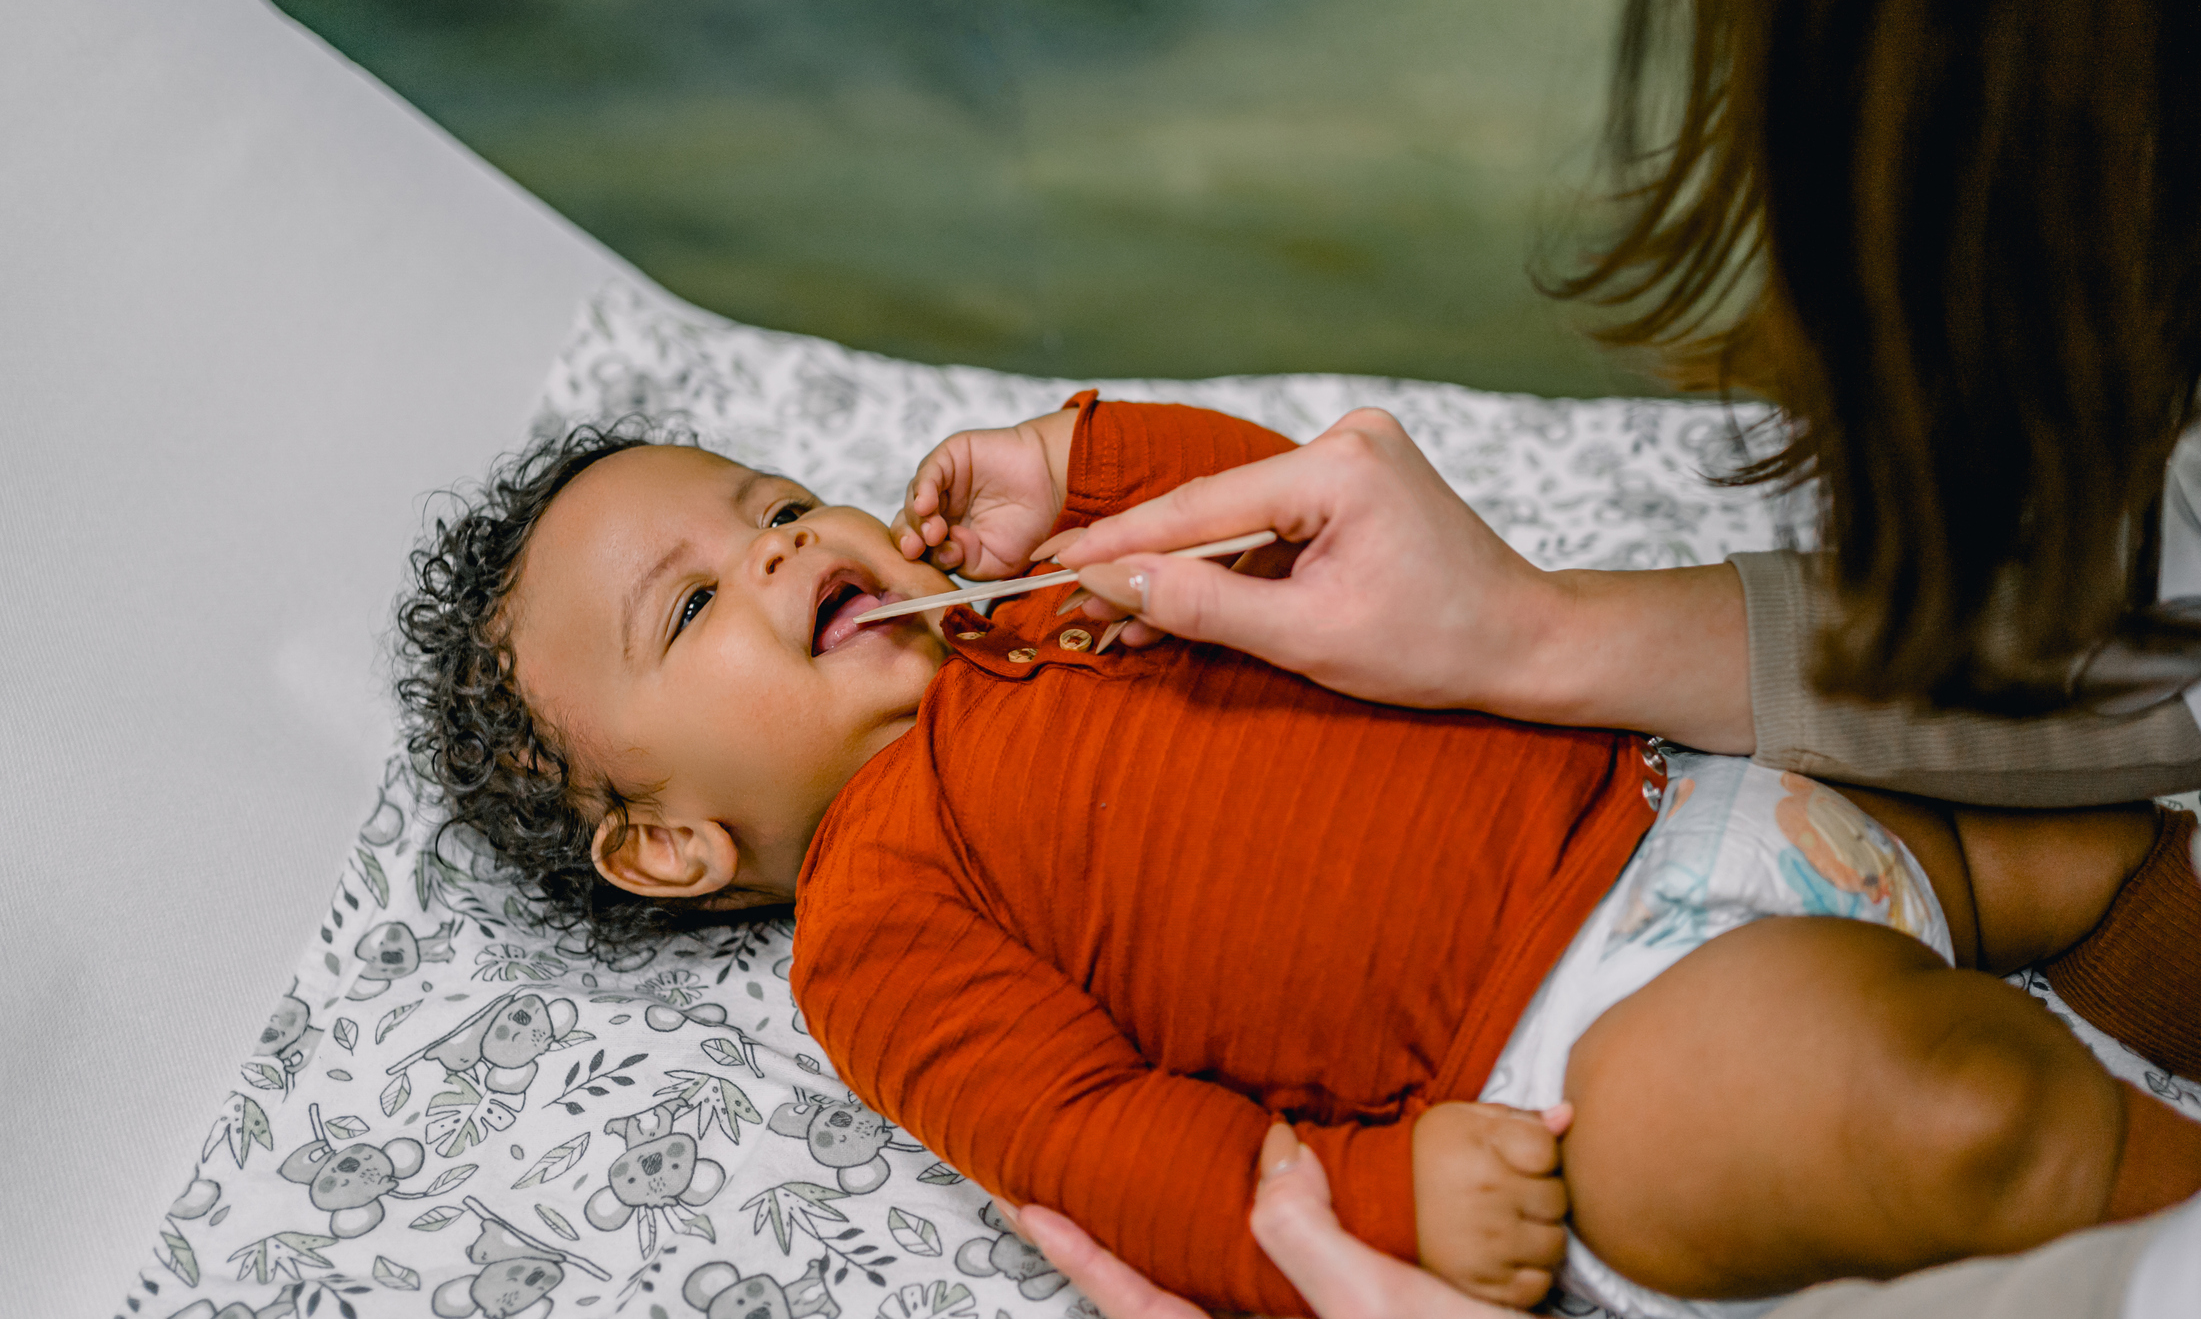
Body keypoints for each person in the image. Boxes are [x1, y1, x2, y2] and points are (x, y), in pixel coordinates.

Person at [396, 390, 2201, 1319]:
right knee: (1942, 1104)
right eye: (699, 597)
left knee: (2085, 848)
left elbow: (1294, 510)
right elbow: (1103, 1144)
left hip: (1693, 776)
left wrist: (1080, 454)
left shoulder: (1074, 586)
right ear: (667, 838)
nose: (787, 545)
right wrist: (1377, 1201)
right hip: (1592, 1052)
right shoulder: (875, 923)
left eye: (776, 500)